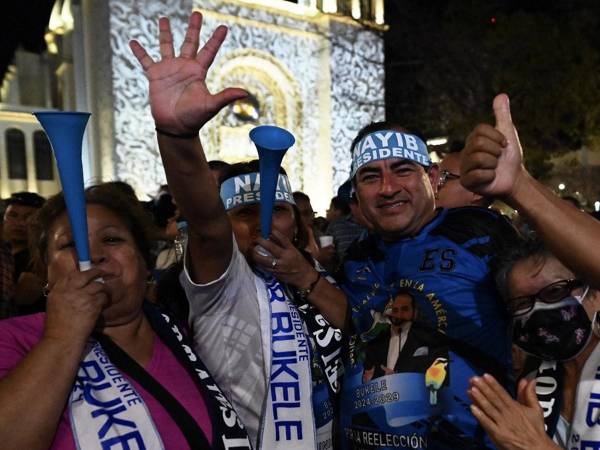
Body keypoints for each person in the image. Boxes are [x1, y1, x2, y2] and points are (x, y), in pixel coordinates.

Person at [130, 12, 345, 449]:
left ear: (296, 219)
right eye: (242, 213)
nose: (261, 222)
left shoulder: (315, 276)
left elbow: (350, 328)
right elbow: (207, 224)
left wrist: (306, 276)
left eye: (275, 209)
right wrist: (177, 135)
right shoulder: (221, 282)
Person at [0, 184, 249, 449]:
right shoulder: (15, 339)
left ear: (144, 262)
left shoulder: (183, 330)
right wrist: (61, 338)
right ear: (46, 275)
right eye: (71, 244)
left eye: (111, 240)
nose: (92, 256)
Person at [336, 122, 519, 449]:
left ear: (433, 179)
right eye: (370, 176)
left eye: (402, 170)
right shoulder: (356, 256)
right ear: (356, 194)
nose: (388, 188)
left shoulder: (479, 233)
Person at [467, 237, 599, 450]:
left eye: (554, 292)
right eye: (522, 303)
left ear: (594, 292)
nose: (539, 310)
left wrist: (535, 446)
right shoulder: (529, 385)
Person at [1, 191, 46, 314]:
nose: (20, 223)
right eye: (13, 215)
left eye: (28, 217)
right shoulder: (5, 254)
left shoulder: (41, 258)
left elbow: (21, 300)